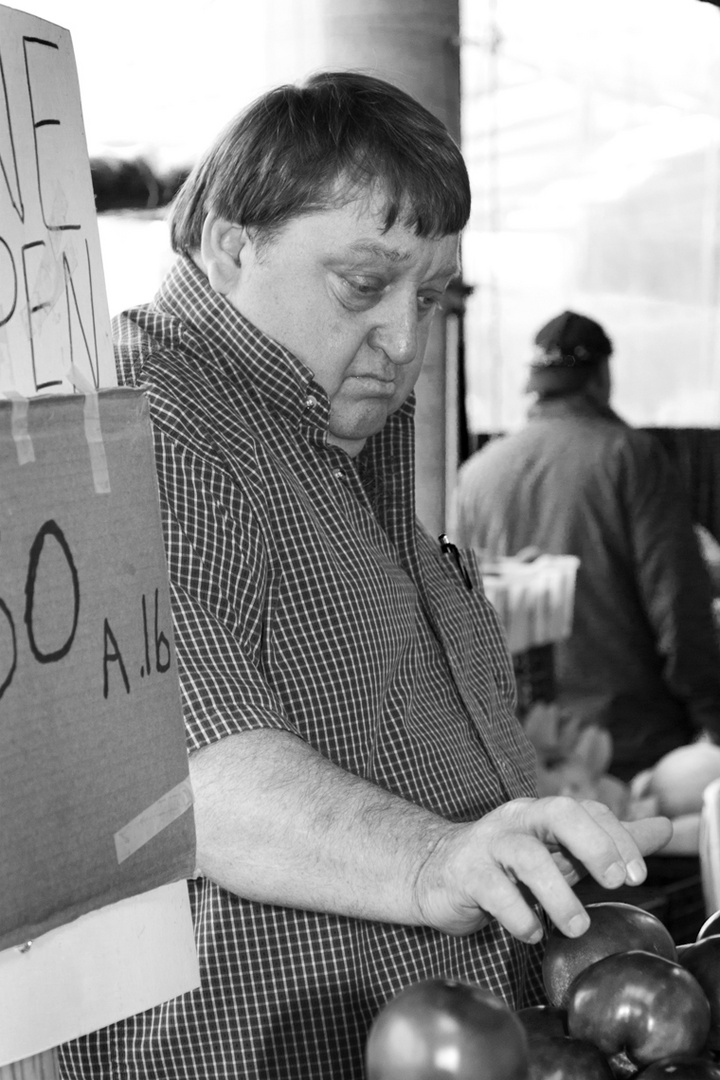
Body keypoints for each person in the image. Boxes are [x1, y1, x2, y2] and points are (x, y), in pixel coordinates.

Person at [59, 83, 669, 1080]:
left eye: (428, 298)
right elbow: (181, 768)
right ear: (229, 243)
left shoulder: (343, 435)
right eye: (361, 285)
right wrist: (433, 861)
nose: (403, 340)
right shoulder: (153, 423)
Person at [453, 309, 720, 783]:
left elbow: (466, 621)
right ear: (600, 378)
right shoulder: (629, 458)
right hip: (631, 750)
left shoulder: (477, 476)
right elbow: (678, 606)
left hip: (523, 753)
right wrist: (711, 715)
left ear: (535, 383)